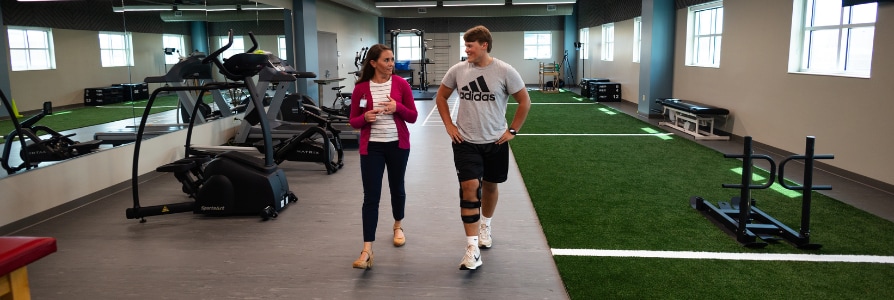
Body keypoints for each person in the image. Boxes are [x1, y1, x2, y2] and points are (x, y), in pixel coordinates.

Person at [434, 25, 531, 270]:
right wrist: (449, 125)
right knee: (469, 187)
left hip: (495, 141)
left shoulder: (505, 71)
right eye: (465, 45)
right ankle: (472, 247)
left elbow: (524, 101)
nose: (466, 50)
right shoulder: (458, 70)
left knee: (489, 186)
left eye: (470, 46)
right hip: (465, 141)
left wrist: (513, 130)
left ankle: (486, 224)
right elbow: (441, 97)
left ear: (484, 45)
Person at [348, 43, 419, 270]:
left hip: (398, 145)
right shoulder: (360, 88)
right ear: (373, 63)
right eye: (386, 60)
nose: (391, 64)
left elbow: (413, 117)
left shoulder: (400, 84)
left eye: (392, 60)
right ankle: (367, 250)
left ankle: (398, 225)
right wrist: (365, 117)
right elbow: (353, 121)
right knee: (371, 197)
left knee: (397, 188)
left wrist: (397, 106)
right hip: (372, 149)